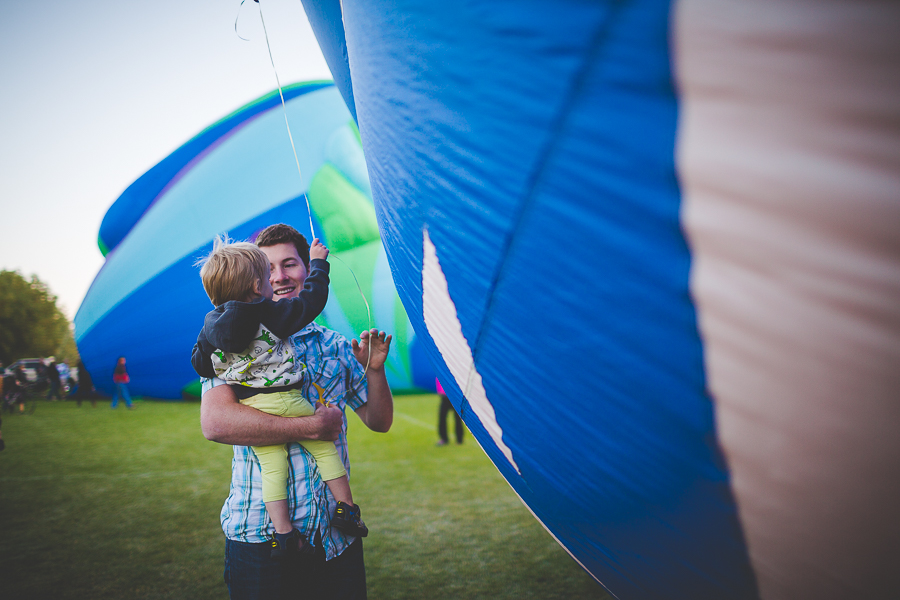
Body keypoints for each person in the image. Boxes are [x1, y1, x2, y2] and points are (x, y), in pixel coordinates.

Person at [200, 223, 394, 600]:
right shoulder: (230, 338)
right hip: (258, 536)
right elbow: (216, 423)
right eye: (268, 267)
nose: (278, 276)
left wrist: (374, 371)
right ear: (252, 278)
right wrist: (312, 426)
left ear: (306, 268)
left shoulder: (337, 347)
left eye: (289, 264)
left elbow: (379, 421)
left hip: (335, 538)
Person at [435, 378, 464, 446]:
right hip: (445, 397)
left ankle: (459, 439)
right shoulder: (441, 370)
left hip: (455, 397)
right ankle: (444, 439)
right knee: (442, 418)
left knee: (458, 419)